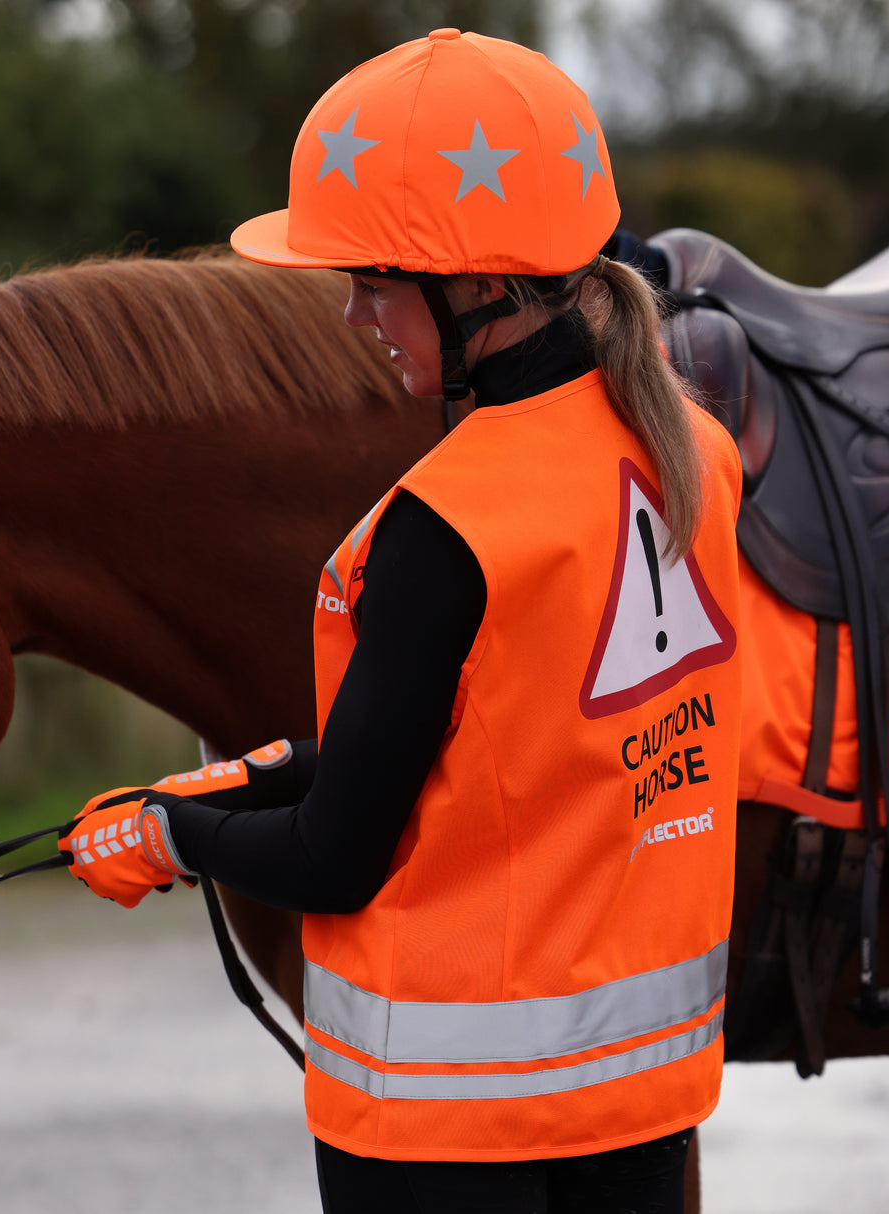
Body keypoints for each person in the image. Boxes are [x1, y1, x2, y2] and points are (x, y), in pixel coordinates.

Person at [58, 29, 743, 1214]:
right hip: (636, 1110)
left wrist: (174, 837)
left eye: (371, 282)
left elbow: (332, 861)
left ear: (478, 285)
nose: (349, 315)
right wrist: (272, 773)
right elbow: (522, 755)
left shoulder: (444, 523)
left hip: (447, 1132)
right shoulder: (690, 450)